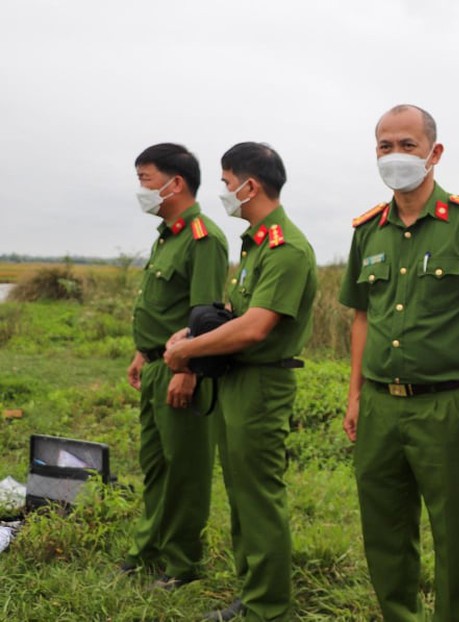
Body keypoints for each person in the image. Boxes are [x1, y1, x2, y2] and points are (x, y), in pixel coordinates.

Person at [339, 104, 459, 622]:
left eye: (407, 145)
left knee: (456, 536)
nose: (395, 156)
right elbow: (362, 318)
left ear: (433, 153)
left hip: (446, 406)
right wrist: (353, 396)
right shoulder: (368, 230)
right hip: (379, 405)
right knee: (384, 532)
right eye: (385, 146)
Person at [164, 142, 317, 622]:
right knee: (240, 493)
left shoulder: (286, 248)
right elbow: (233, 315)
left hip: (262, 385)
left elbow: (256, 327)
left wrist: (185, 353)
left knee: (258, 496)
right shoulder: (256, 243)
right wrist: (191, 332)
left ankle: (269, 608)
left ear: (250, 186)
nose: (225, 192)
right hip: (236, 382)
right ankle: (252, 593)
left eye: (228, 183)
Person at [124, 143, 228, 590]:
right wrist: (142, 352)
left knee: (184, 469)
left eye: (145, 179)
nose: (141, 190)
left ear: (175, 183)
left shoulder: (203, 238)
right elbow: (162, 306)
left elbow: (203, 315)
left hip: (180, 369)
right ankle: (148, 548)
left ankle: (182, 565)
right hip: (154, 365)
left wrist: (187, 370)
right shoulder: (167, 235)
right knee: (155, 465)